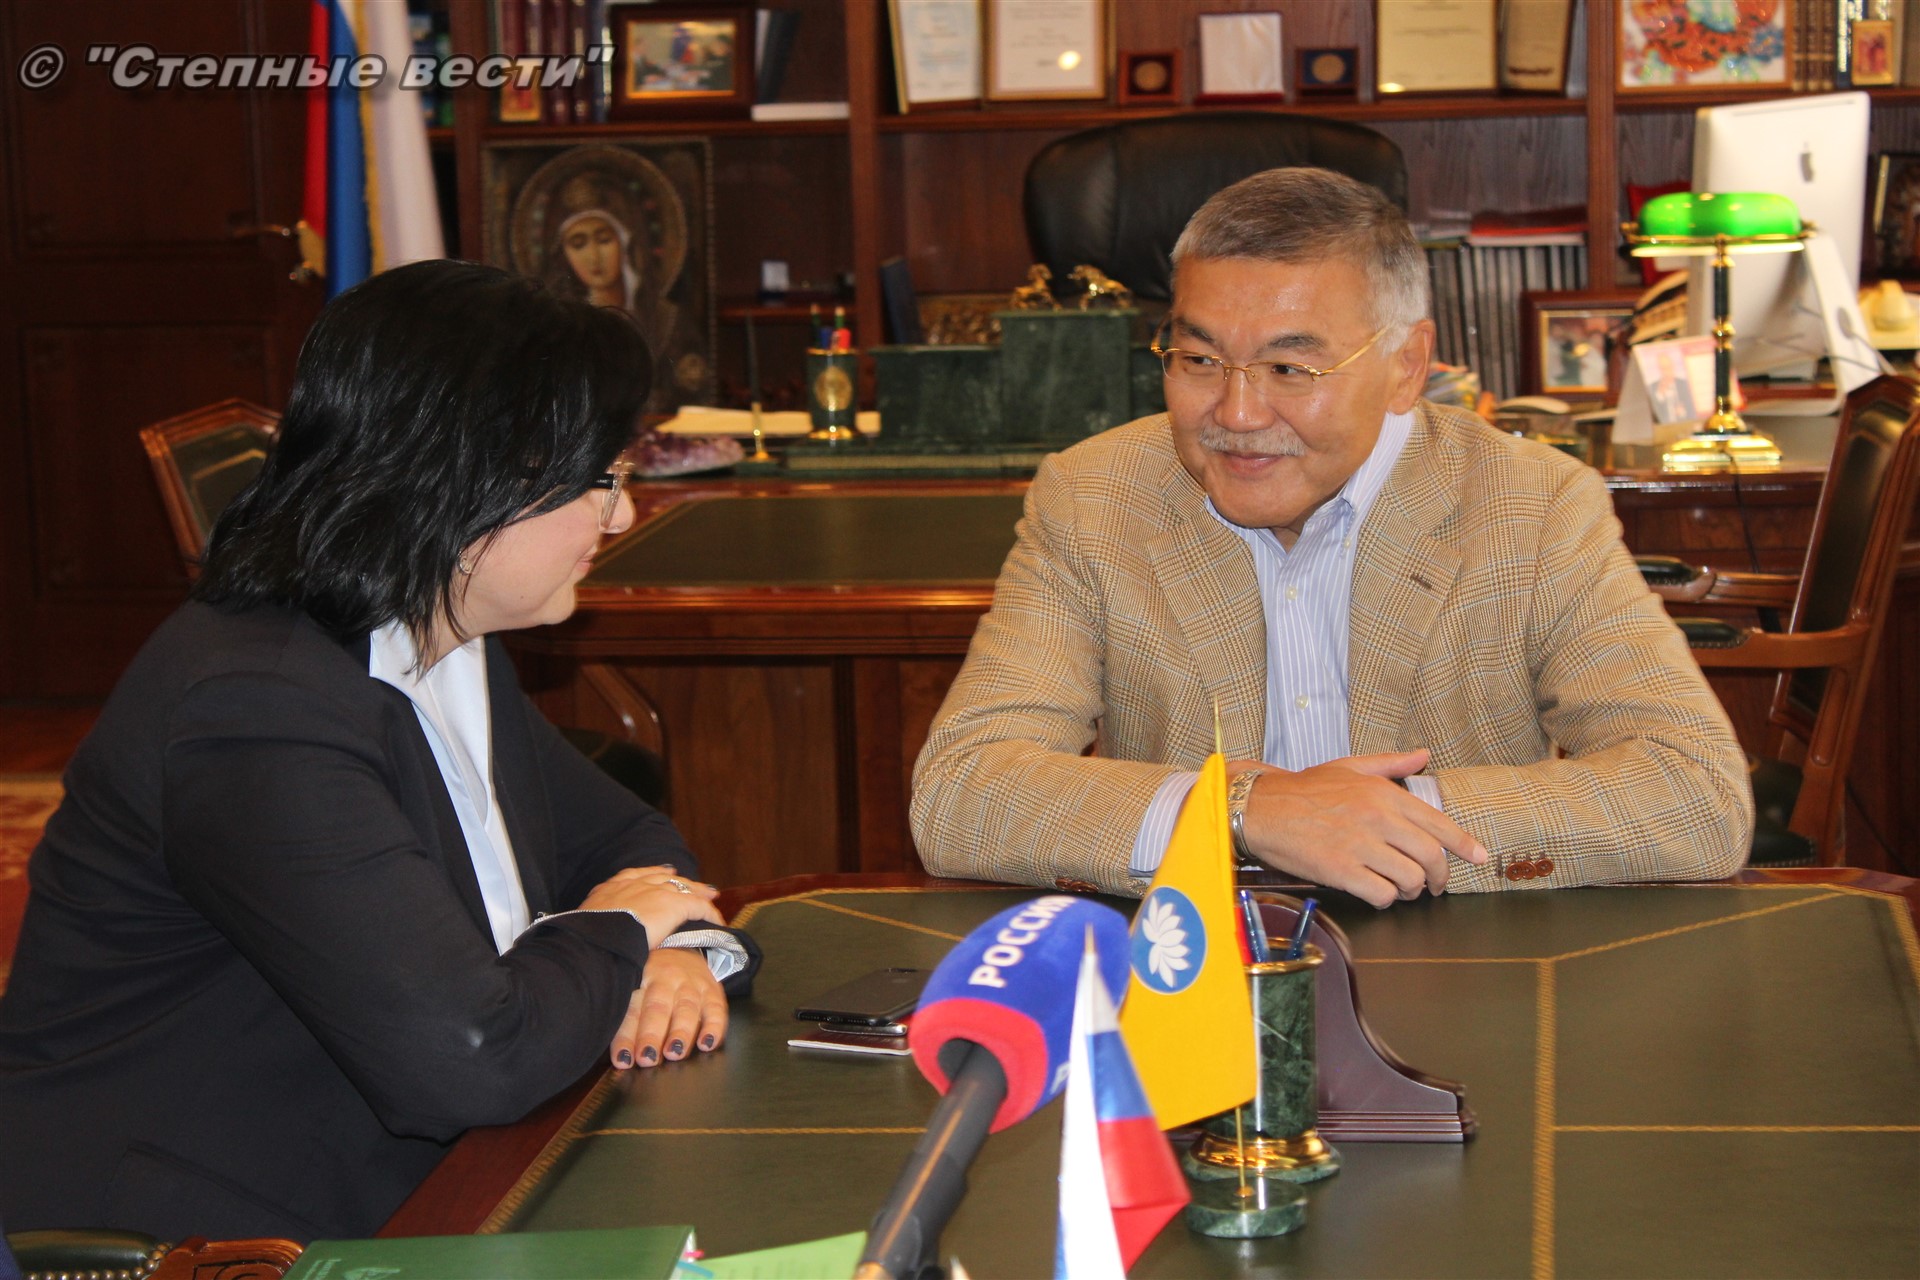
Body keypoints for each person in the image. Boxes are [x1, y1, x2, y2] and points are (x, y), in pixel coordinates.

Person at [0, 261, 760, 1241]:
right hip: (208, 1232)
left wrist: (673, 954)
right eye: (601, 480)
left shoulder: (435, 625)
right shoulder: (253, 710)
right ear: (470, 483)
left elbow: (626, 842)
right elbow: (471, 1059)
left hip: (423, 1173)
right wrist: (619, 937)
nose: (620, 514)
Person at [912, 167, 1752, 908]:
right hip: (1193, 979)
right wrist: (1241, 812)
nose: (1238, 413)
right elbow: (961, 791)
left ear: (1406, 366)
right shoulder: (1094, 498)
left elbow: (1697, 794)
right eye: (1199, 360)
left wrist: (1381, 821)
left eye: (1291, 369)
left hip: (1456, 971)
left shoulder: (1530, 506)